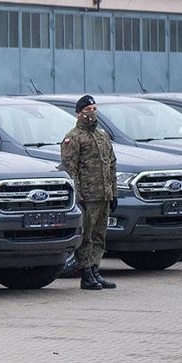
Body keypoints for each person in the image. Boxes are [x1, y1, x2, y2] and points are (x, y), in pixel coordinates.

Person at [60, 95, 118, 289]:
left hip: (104, 194)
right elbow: (70, 168)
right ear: (78, 113)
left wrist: (114, 192)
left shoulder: (102, 135)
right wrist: (78, 197)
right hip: (88, 195)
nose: (92, 112)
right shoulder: (74, 137)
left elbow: (111, 164)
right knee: (87, 235)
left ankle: (95, 269)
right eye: (88, 109)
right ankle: (85, 273)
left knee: (100, 235)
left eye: (94, 108)